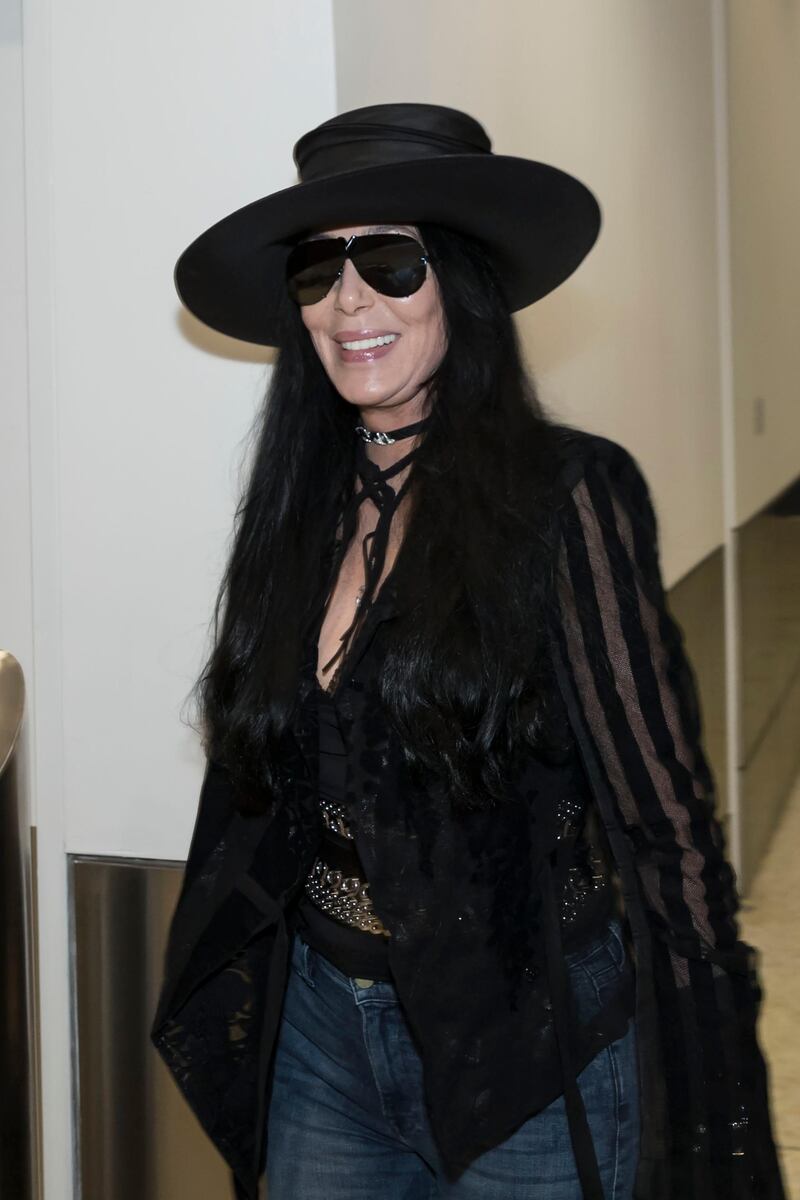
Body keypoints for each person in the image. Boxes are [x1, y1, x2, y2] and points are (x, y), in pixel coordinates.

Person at [151, 103, 785, 1200]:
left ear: (461, 285)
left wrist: (715, 1065)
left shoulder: (564, 498)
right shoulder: (295, 507)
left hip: (524, 1045)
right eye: (316, 271)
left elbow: (661, 813)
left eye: (389, 263)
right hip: (321, 1034)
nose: (349, 300)